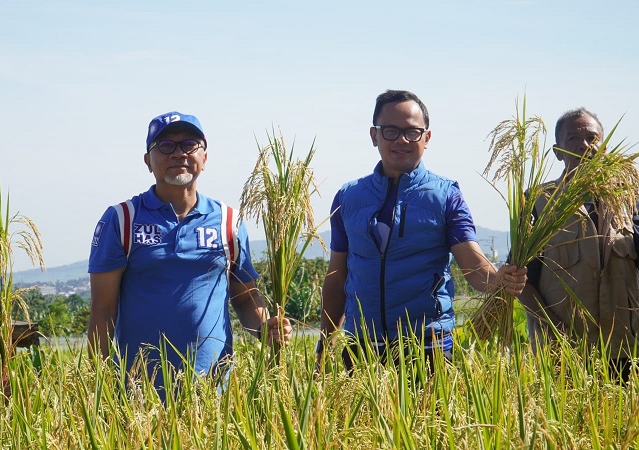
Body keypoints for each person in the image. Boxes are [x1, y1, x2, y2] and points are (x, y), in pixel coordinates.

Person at [319, 90, 527, 371]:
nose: (402, 140)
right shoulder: (349, 197)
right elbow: (337, 278)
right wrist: (324, 345)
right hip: (362, 348)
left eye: (412, 132)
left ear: (427, 138)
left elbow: (474, 266)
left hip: (428, 347)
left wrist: (499, 279)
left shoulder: (445, 195)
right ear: (374, 136)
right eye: (390, 131)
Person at [88, 111, 291, 394]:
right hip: (138, 393)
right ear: (148, 161)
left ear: (204, 158)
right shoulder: (122, 219)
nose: (178, 154)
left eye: (189, 145)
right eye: (166, 146)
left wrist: (265, 327)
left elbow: (245, 300)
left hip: (212, 393)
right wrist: (100, 388)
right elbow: (103, 311)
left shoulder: (228, 221)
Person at [518, 107, 639, 383]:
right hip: (562, 349)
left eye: (593, 138)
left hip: (623, 346)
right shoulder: (538, 202)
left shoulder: (629, 198)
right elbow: (520, 280)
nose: (584, 146)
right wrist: (554, 330)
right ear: (558, 151)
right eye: (573, 138)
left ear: (605, 148)